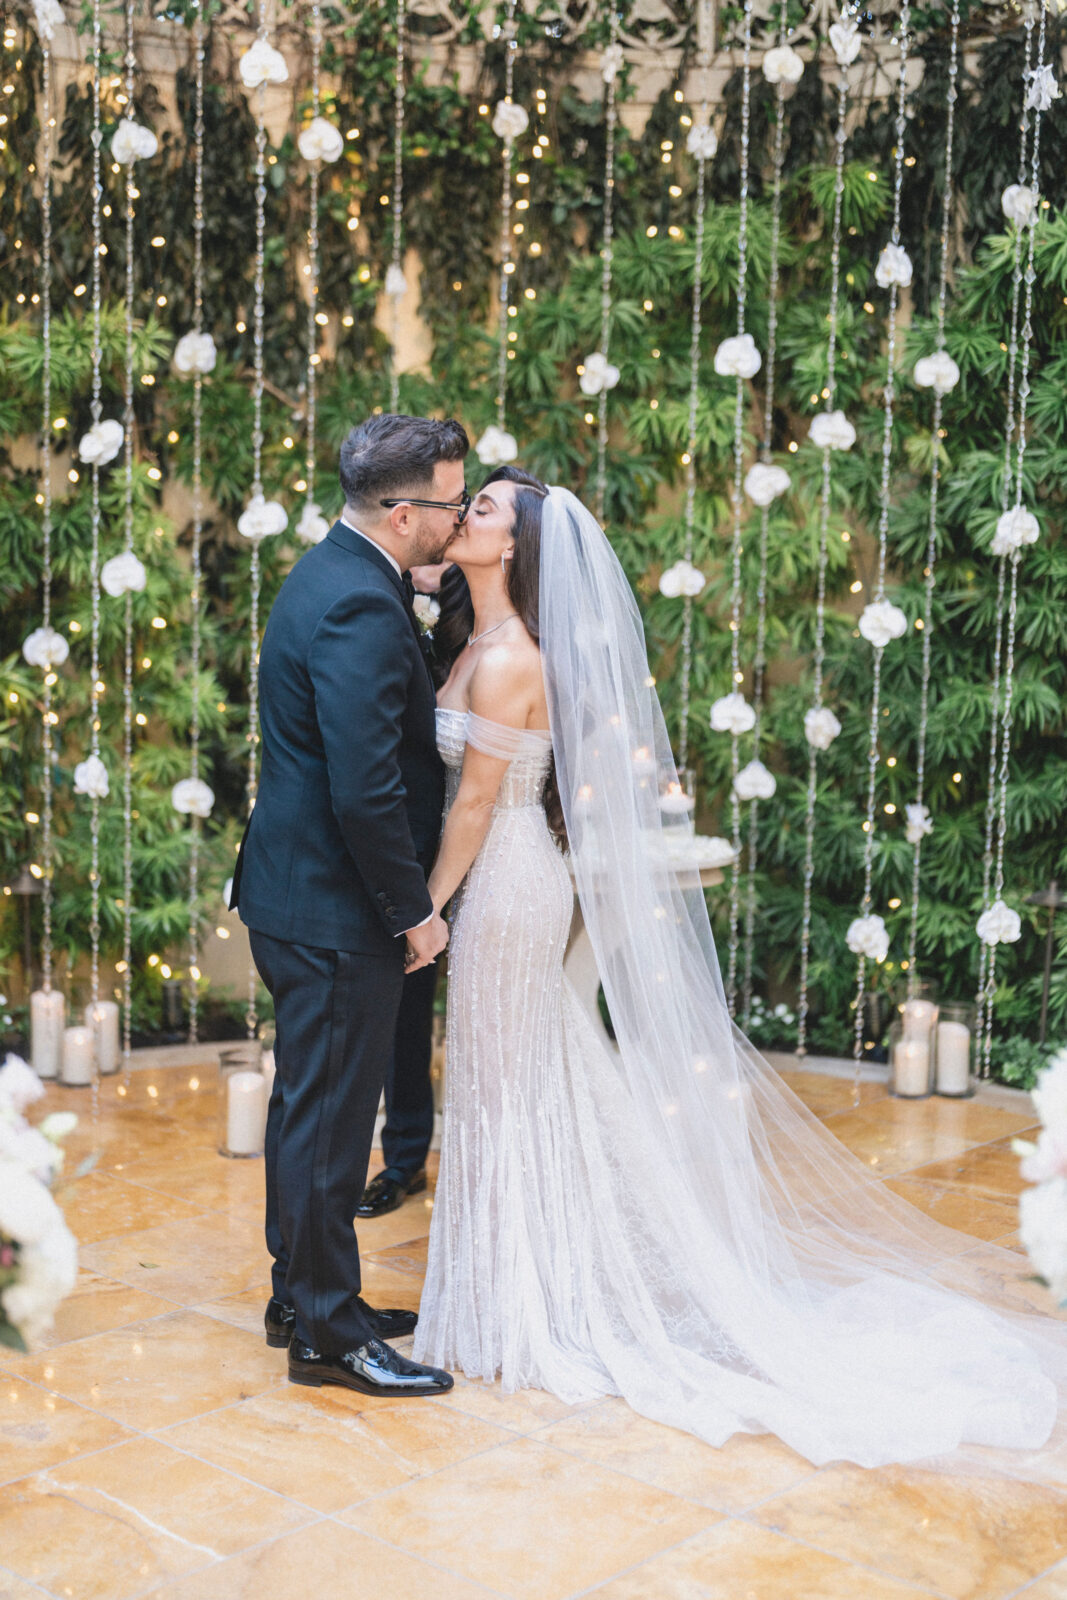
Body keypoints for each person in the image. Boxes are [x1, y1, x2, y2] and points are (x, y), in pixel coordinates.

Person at [412, 466, 1067, 1478]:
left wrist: (424, 912)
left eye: (484, 508)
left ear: (513, 548)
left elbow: (469, 807)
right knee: (508, 1084)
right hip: (502, 882)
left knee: (501, 1090)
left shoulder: (509, 659)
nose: (465, 516)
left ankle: (524, 1306)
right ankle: (512, 1289)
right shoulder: (477, 641)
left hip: (502, 886)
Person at [231, 412, 469, 1398]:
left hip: (295, 893)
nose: (456, 525)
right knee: (330, 1124)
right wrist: (413, 913)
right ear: (404, 510)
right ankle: (326, 1336)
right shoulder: (361, 610)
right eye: (451, 507)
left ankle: (304, 1293)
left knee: (305, 1110)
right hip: (334, 909)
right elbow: (365, 788)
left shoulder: (333, 571)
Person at [355, 562, 453, 1221]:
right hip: (414, 845)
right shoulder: (386, 600)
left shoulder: (489, 624)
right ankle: (404, 1158)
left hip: (491, 843)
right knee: (404, 1008)